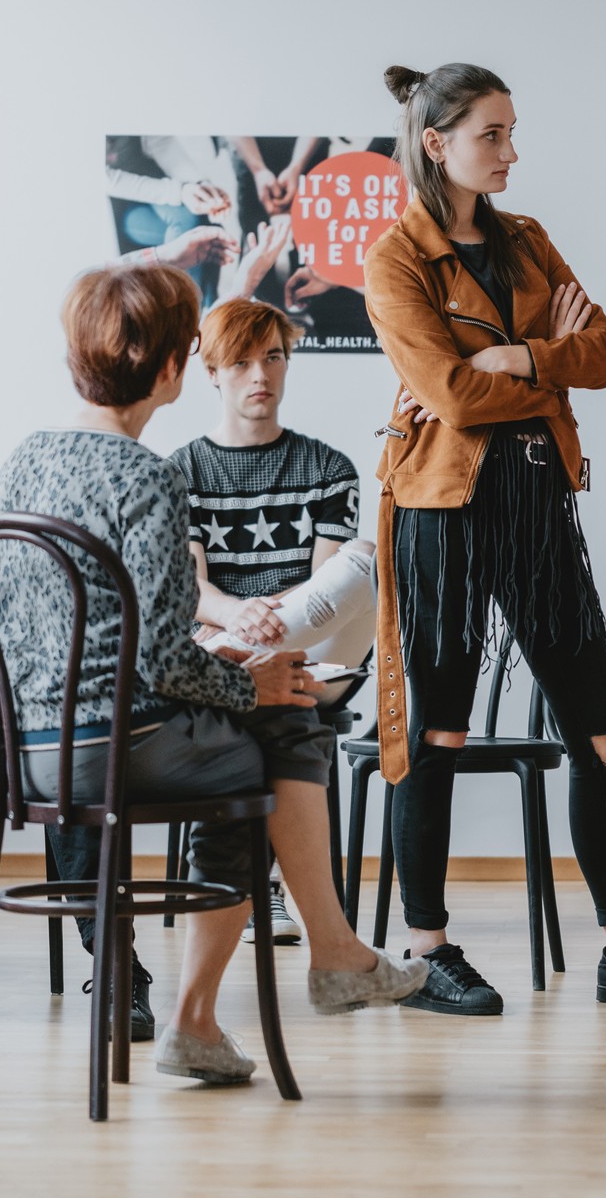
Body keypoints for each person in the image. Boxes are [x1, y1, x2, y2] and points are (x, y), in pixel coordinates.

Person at [0, 265, 424, 1087]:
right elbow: (158, 657)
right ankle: (305, 966)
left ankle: (294, 973)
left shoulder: (23, 462)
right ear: (176, 369)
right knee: (281, 730)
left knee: (269, 725)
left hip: (26, 751)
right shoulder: (147, 475)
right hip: (117, 743)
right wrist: (248, 686)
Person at [363, 62, 606, 1016]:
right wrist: (539, 369)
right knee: (436, 737)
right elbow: (447, 394)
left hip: (537, 503)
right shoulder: (396, 256)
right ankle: (427, 953)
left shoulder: (527, 241)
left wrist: (518, 354)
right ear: (439, 142)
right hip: (441, 512)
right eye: (495, 134)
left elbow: (604, 353)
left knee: (601, 734)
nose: (513, 152)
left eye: (512, 131)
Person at [171, 295, 378, 949]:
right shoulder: (181, 472)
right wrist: (235, 614)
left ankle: (267, 892)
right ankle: (272, 895)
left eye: (274, 357)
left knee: (363, 560)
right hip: (221, 657)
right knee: (275, 711)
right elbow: (189, 586)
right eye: (240, 361)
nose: (259, 374)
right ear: (211, 371)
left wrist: (254, 622)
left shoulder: (327, 468)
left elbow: (327, 590)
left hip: (308, 655)